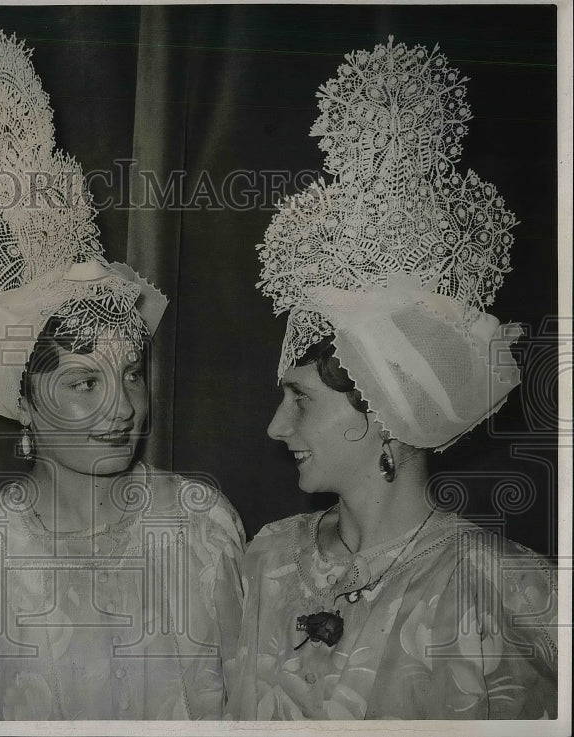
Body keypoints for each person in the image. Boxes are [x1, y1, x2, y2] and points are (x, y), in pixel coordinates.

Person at [0, 32, 246, 720]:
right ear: (23, 400)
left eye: (133, 374)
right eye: (85, 381)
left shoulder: (205, 524)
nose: (125, 408)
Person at [225, 38, 558, 720]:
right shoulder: (268, 557)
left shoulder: (508, 592)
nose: (275, 426)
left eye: (299, 399)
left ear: (382, 407)